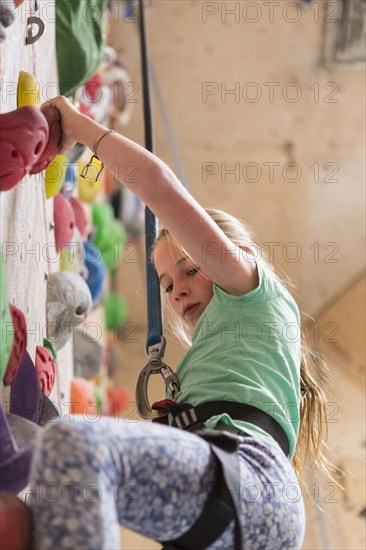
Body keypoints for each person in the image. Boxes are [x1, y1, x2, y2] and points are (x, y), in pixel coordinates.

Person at [27, 96, 329, 549]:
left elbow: (158, 189)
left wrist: (77, 125)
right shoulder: (220, 367)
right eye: (166, 284)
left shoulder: (251, 287)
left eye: (189, 269)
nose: (177, 289)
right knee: (53, 471)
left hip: (251, 484)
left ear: (235, 253)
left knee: (75, 446)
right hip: (247, 509)